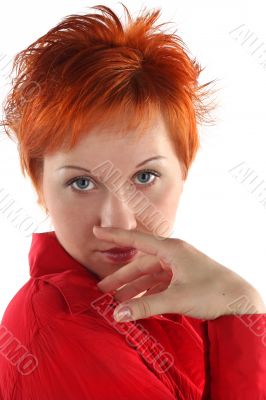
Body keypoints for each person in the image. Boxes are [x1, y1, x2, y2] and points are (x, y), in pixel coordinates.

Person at [0, 3, 265, 399]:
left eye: (145, 176)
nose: (120, 221)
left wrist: (240, 305)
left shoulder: (190, 296)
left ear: (184, 170)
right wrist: (242, 321)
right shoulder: (56, 330)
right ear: (39, 187)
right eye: (81, 182)